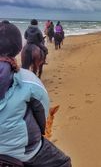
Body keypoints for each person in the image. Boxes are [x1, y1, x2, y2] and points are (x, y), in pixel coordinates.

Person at [0, 20, 71, 166]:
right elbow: (42, 109)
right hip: (23, 151)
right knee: (63, 163)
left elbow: (27, 36)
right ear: (18, 48)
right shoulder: (28, 80)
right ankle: (42, 61)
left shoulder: (29, 30)